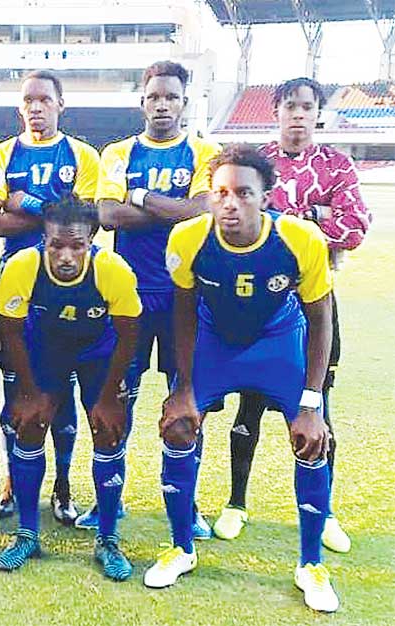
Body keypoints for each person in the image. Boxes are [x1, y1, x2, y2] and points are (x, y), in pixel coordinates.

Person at [145, 144, 338, 613]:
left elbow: (321, 320)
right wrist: (183, 387)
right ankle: (181, 548)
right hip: (216, 342)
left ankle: (310, 565)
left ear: (266, 197)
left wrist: (311, 402)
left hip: (277, 342)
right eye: (220, 193)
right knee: (178, 427)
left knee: (311, 440)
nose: (230, 204)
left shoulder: (301, 239)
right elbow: (185, 312)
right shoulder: (187, 238)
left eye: (243, 193)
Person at [213, 78, 371, 553]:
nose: (297, 115)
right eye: (289, 107)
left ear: (318, 113)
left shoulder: (337, 165)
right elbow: (237, 218)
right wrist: (315, 218)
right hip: (259, 302)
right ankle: (236, 503)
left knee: (316, 404)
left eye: (307, 107)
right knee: (250, 407)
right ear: (276, 110)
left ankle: (323, 512)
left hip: (316, 302)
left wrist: (291, 219)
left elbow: (355, 227)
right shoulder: (255, 163)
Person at [89, 60, 221, 535]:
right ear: (142, 101)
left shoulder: (206, 152)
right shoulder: (118, 152)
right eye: (154, 97)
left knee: (186, 398)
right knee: (117, 397)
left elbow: (202, 213)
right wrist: (173, 208)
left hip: (186, 297)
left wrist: (140, 198)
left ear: (184, 101)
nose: (162, 104)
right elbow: (107, 215)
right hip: (129, 295)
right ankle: (110, 496)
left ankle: (190, 504)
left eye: (171, 97)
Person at [0, 195, 140, 578]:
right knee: (31, 425)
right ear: (43, 240)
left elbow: (128, 335)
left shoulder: (113, 269)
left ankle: (108, 539)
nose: (66, 256)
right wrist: (28, 392)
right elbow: (12, 332)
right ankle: (27, 534)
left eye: (76, 246)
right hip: (45, 348)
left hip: (98, 352)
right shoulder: (23, 266)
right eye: (56, 245)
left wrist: (108, 398)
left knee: (107, 432)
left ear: (91, 241)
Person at [0, 70, 100, 525]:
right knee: (17, 389)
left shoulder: (83, 155)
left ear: (60, 105)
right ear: (19, 107)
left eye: (44, 100)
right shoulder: (1, 154)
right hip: (17, 284)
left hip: (71, 286)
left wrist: (25, 202)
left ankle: (64, 485)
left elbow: (85, 222)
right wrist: (52, 210)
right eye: (28, 100)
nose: (36, 107)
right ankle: (13, 482)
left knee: (65, 392)